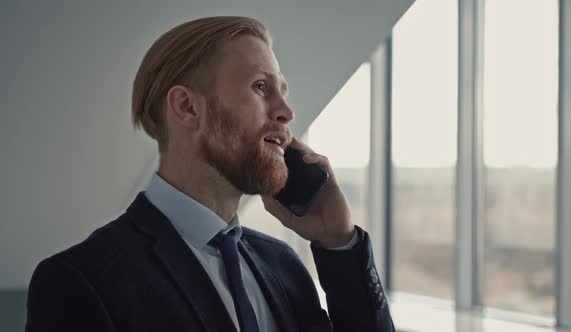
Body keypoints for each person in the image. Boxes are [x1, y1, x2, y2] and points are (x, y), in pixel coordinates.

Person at [25, 16, 394, 332]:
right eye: (260, 87)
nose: (286, 112)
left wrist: (338, 242)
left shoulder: (282, 263)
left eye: (282, 91)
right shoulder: (80, 281)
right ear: (187, 107)